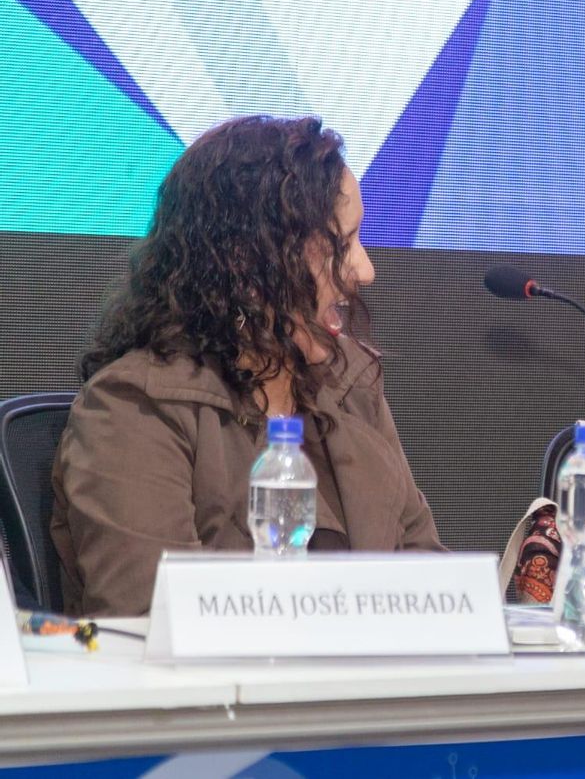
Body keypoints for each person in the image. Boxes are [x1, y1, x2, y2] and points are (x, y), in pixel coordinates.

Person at [52, 115, 443, 616]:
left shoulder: (351, 384)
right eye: (341, 245)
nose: (364, 270)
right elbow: (154, 619)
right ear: (247, 262)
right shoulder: (135, 407)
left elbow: (429, 584)